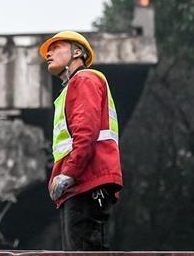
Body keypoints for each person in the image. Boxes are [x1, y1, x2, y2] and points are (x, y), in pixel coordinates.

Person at [40, 30, 122, 250]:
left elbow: (85, 133)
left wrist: (69, 173)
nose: (49, 53)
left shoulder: (84, 79)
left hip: (86, 183)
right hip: (80, 186)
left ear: (77, 52)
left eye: (56, 47)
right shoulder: (71, 89)